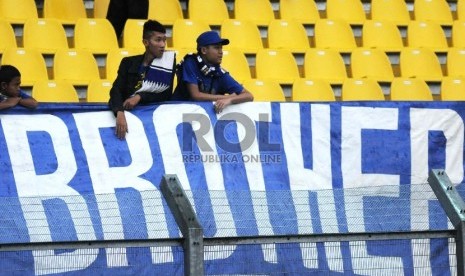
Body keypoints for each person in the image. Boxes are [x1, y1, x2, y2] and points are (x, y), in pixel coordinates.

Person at [108, 19, 175, 139]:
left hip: (154, 121)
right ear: (146, 42)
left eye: (164, 40)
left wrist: (139, 97)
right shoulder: (128, 62)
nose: (163, 45)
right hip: (128, 118)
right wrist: (119, 112)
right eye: (158, 40)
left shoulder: (168, 63)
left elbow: (165, 94)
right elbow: (116, 90)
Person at [171, 31, 254, 113]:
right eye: (216, 47)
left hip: (201, 117)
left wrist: (230, 99)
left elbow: (249, 96)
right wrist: (225, 97)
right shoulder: (190, 62)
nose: (221, 52)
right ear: (204, 50)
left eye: (221, 48)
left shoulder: (219, 73)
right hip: (177, 113)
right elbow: (196, 95)